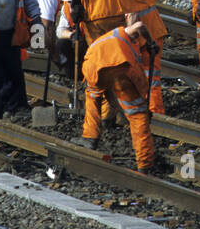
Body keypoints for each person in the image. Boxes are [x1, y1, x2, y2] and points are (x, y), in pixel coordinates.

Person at [71, 16, 166, 175]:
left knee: (93, 99)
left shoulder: (108, 38)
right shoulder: (123, 34)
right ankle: (145, 163)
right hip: (120, 68)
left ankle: (90, 138)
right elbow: (140, 25)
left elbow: (112, 98)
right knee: (138, 115)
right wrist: (150, 43)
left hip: (93, 69)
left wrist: (122, 110)